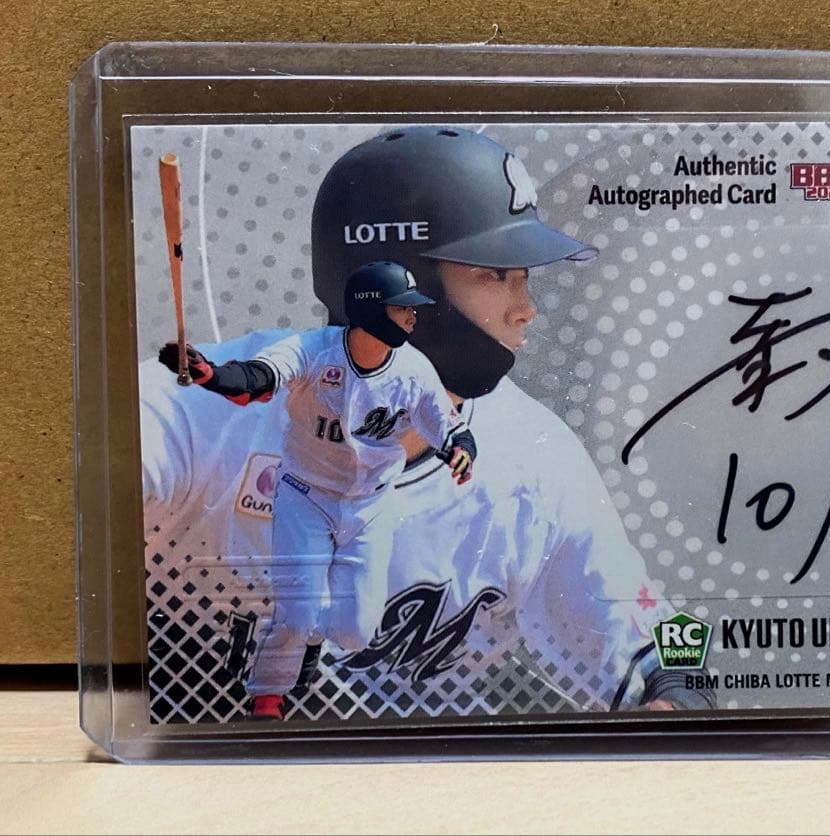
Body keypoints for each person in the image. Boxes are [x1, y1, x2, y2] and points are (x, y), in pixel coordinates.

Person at [140, 126, 714, 722]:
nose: (527, 309)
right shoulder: (199, 417)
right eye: (495, 274)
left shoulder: (534, 461)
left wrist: (677, 704)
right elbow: (105, 466)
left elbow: (669, 653)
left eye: (524, 276)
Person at [157, 260, 477, 721]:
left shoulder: (414, 370)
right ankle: (267, 700)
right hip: (305, 497)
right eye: (401, 307)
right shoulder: (313, 350)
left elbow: (451, 429)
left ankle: (308, 636)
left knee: (355, 633)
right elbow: (253, 383)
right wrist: (209, 373)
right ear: (370, 310)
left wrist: (461, 451)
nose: (412, 315)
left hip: (370, 505)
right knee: (296, 615)